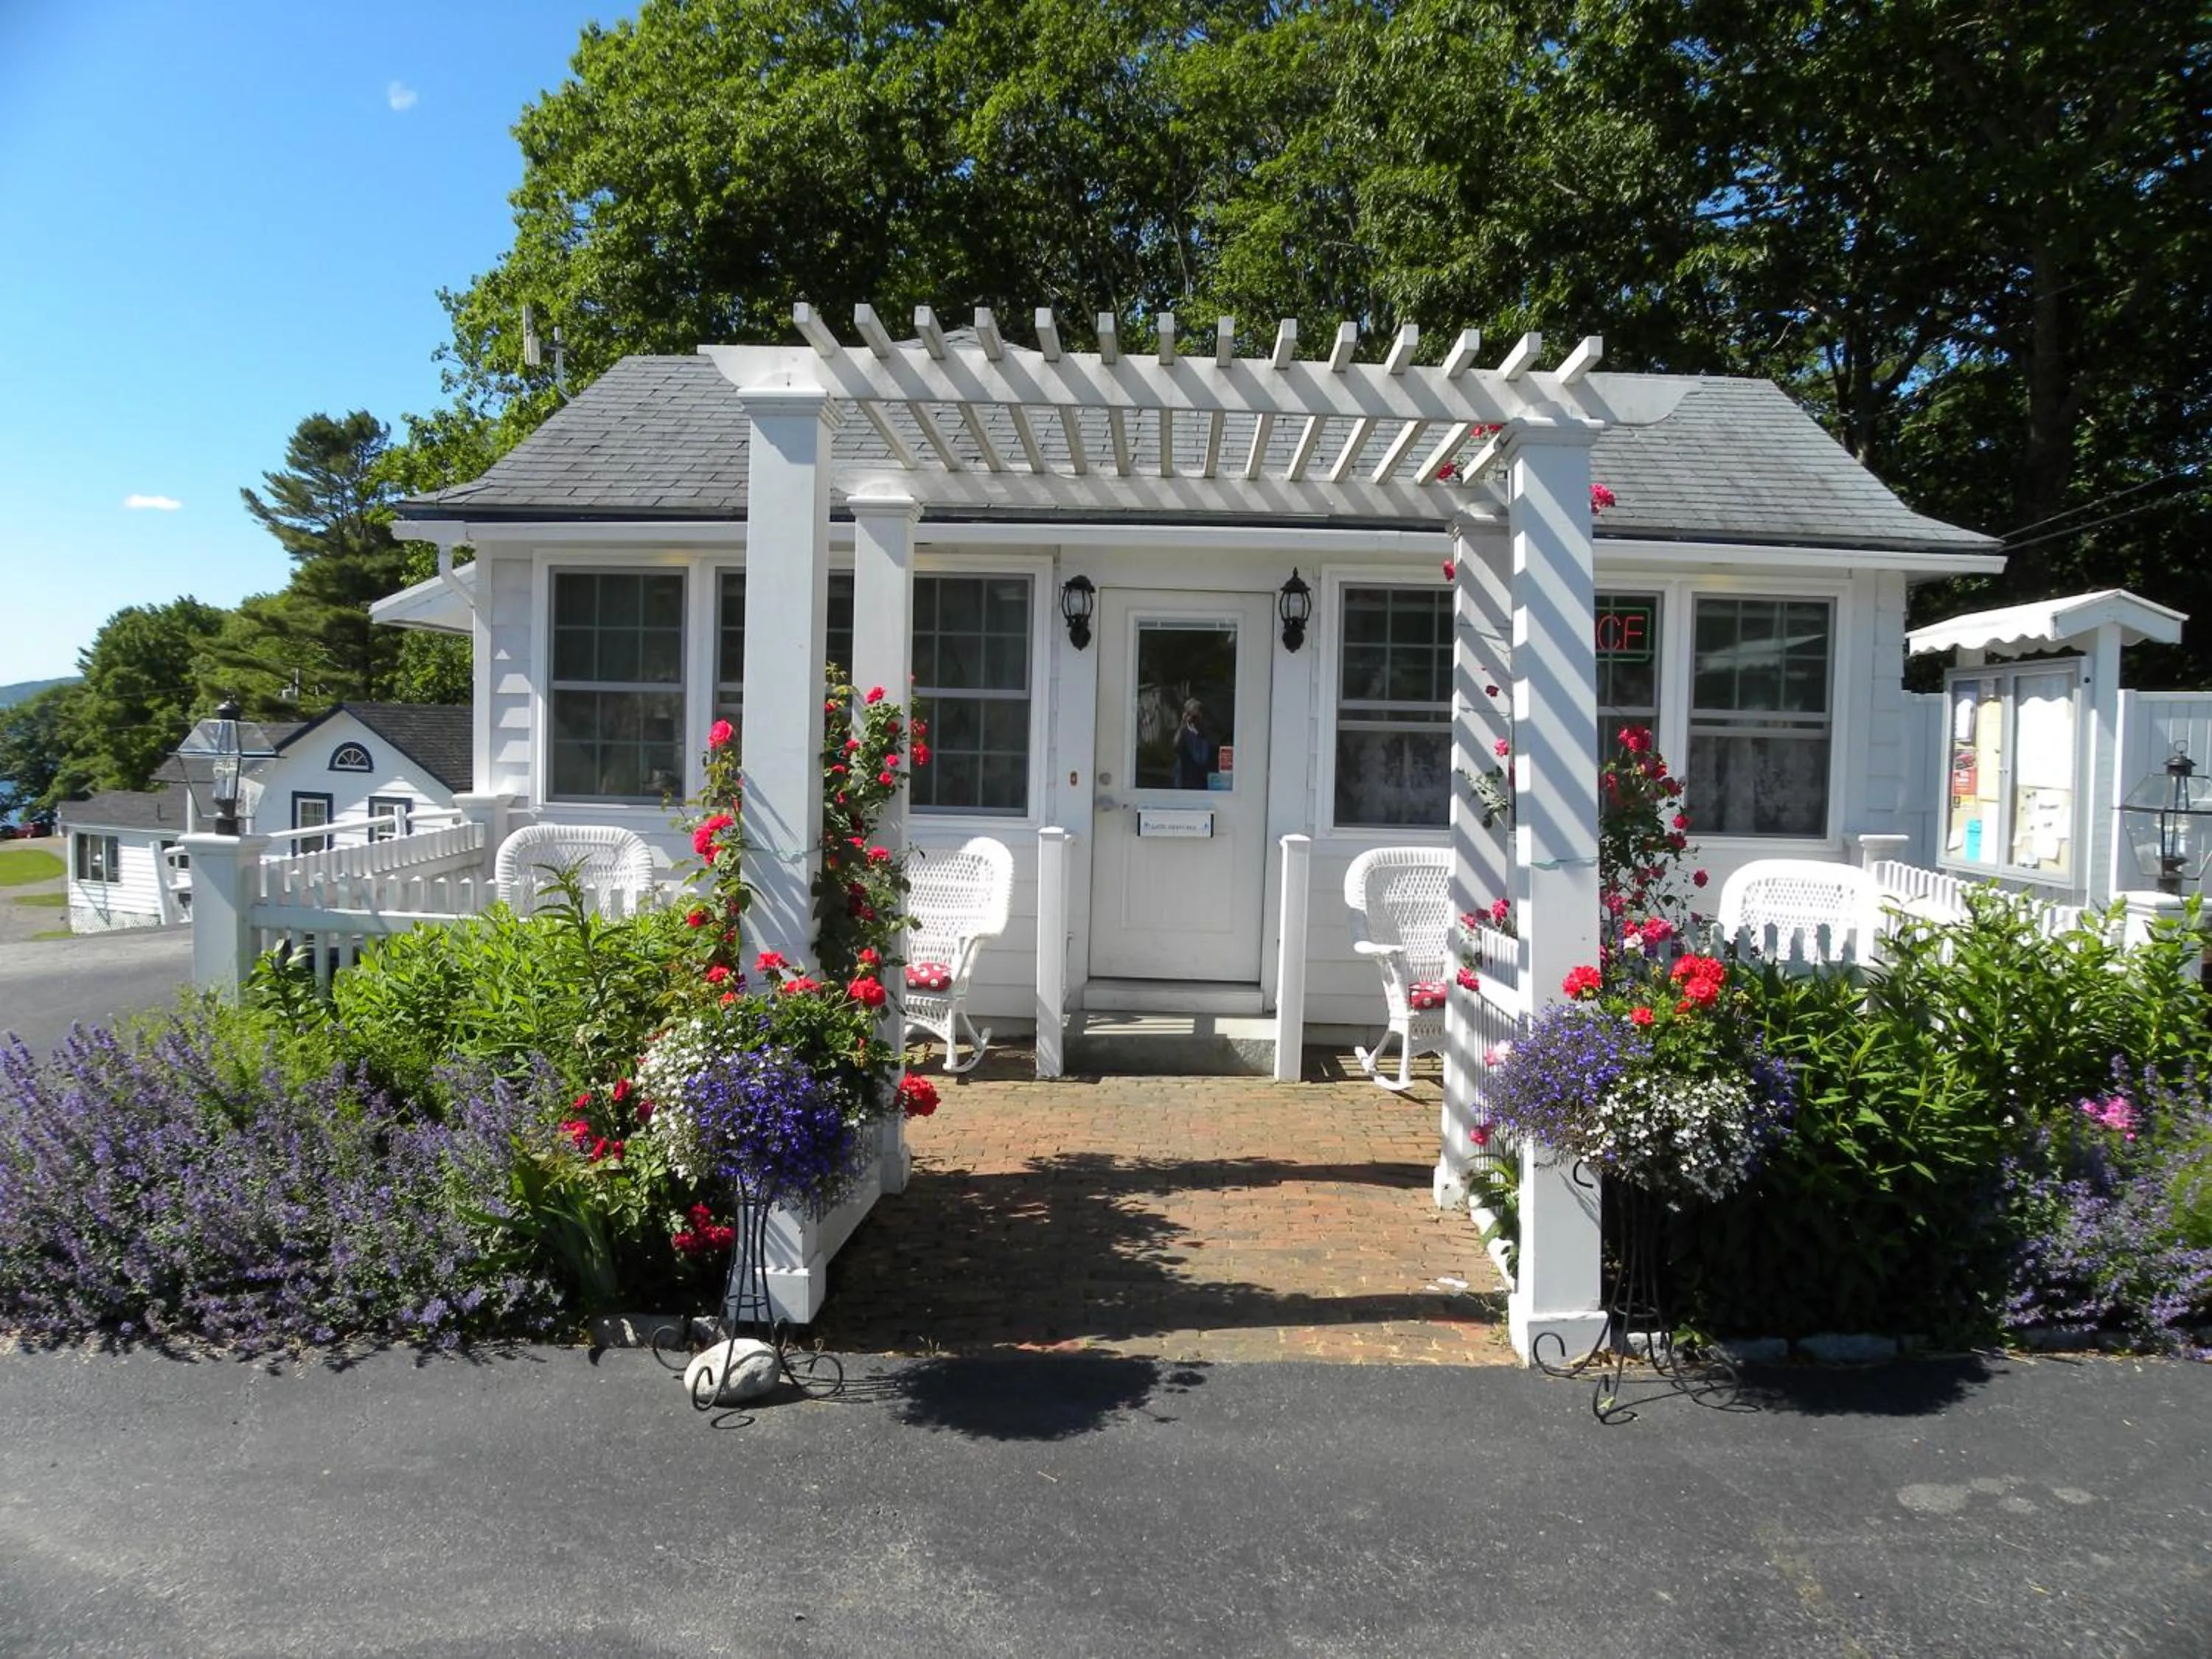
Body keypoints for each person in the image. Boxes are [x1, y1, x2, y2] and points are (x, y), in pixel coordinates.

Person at [1172, 697, 1213, 790]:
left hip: (1200, 780)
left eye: (1197, 715)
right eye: (1191, 715)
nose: (1195, 719)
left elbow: (1205, 758)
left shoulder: (1204, 733)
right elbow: (1175, 745)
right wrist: (1183, 724)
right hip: (1184, 779)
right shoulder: (1184, 732)